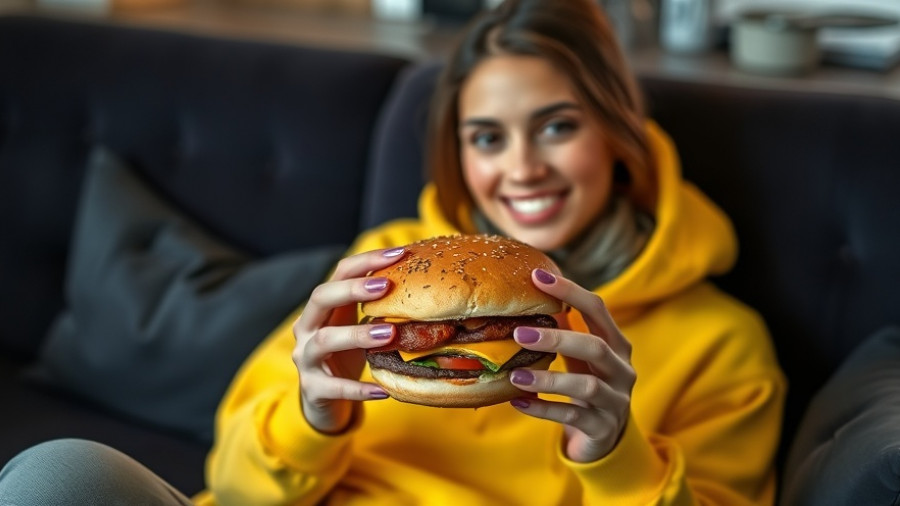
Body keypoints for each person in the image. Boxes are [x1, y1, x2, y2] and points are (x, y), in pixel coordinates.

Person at [0, 0, 785, 504]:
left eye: (556, 126)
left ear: (620, 135)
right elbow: (231, 487)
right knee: (59, 475)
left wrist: (617, 456)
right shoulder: (383, 266)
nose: (522, 168)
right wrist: (315, 417)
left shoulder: (723, 345)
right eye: (487, 137)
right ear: (457, 153)